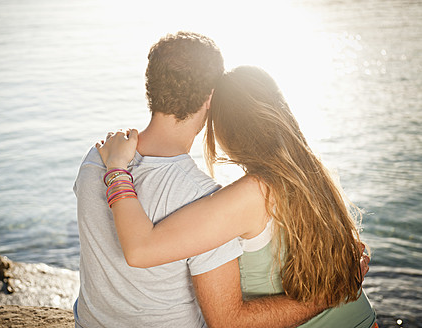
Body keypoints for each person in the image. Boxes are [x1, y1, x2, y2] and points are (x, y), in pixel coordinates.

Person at [74, 32, 341, 327]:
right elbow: (227, 319)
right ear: (211, 97)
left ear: (151, 87)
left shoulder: (96, 158)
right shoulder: (202, 197)